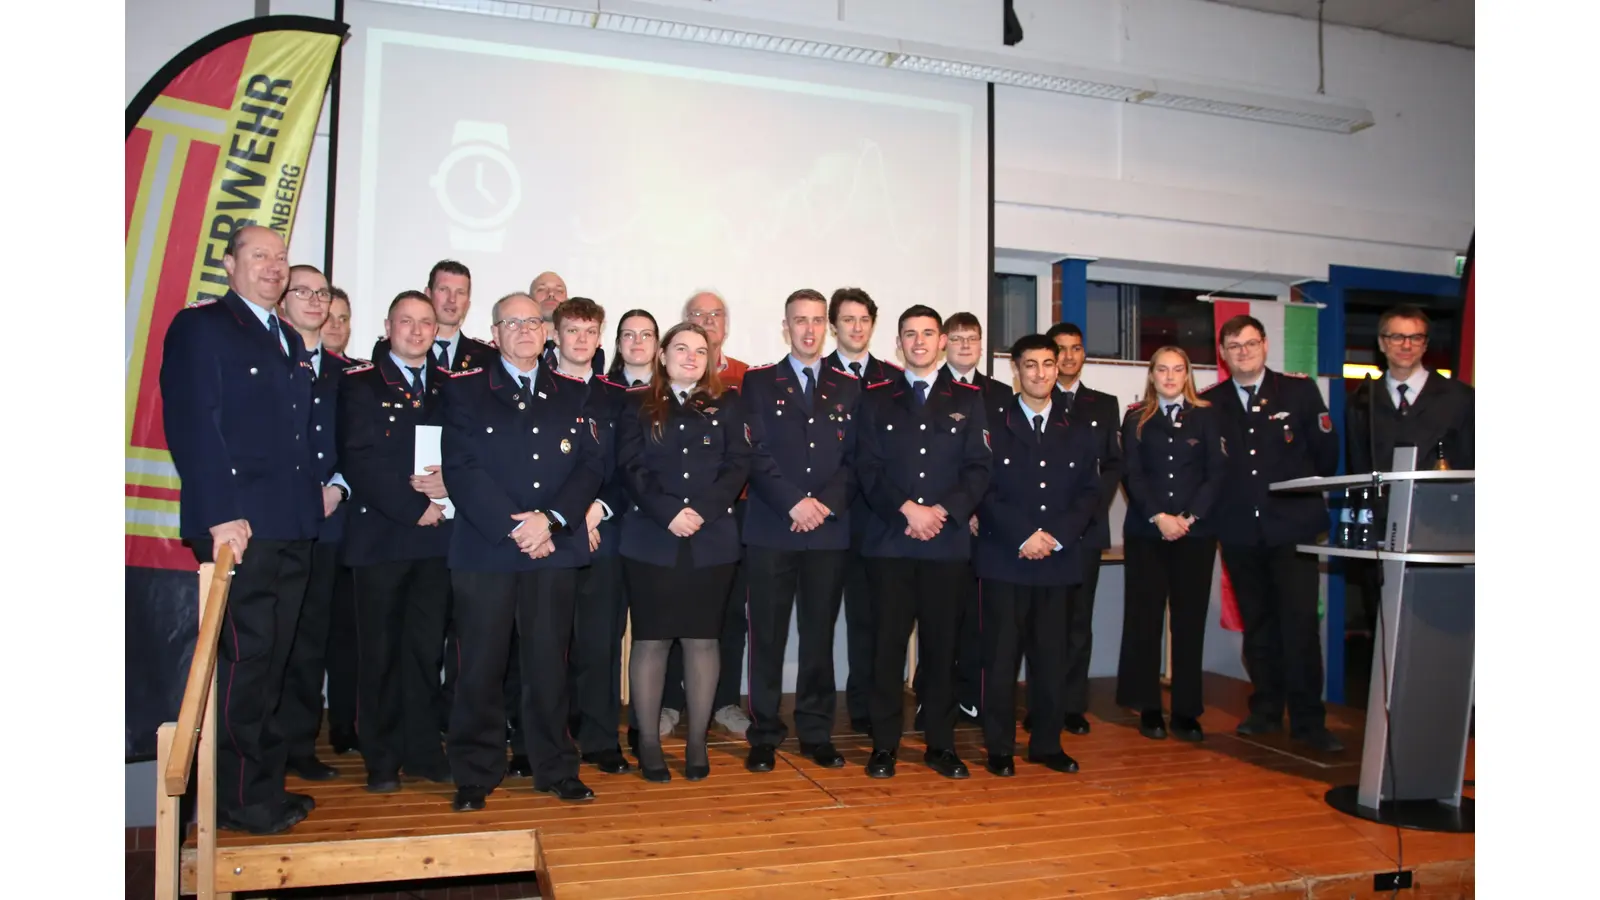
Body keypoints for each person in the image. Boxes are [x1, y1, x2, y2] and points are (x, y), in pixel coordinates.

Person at [159, 225, 321, 834]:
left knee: (270, 664)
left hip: (290, 523)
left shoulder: (284, 335)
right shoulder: (202, 328)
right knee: (246, 663)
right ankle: (236, 800)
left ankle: (262, 786)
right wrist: (218, 511)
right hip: (240, 526)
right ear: (229, 265)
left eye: (281, 257)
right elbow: (195, 424)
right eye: (260, 256)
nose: (274, 267)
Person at [441, 292, 605, 810]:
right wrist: (515, 528)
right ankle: (474, 770)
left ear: (548, 331)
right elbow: (461, 468)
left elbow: (588, 467)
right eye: (512, 323)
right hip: (488, 549)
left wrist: (551, 521)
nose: (525, 331)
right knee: (479, 666)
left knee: (548, 665)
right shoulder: (465, 390)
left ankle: (554, 766)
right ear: (494, 333)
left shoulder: (572, 392)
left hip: (550, 549)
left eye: (534, 322)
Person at [856, 305, 992, 779]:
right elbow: (867, 469)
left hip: (944, 544)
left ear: (942, 343)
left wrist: (942, 512)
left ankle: (940, 744)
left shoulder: (970, 399)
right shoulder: (874, 397)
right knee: (886, 649)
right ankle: (884, 745)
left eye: (927, 334)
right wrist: (908, 509)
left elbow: (979, 468)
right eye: (909, 334)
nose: (918, 342)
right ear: (899, 344)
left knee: (942, 649)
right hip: (890, 542)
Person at [617, 322, 754, 782]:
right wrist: (668, 512)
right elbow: (631, 467)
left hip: (711, 537)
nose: (691, 357)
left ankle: (698, 741)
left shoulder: (728, 404)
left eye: (701, 350)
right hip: (651, 537)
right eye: (681, 348)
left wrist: (702, 510)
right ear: (662, 355)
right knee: (651, 641)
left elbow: (738, 464)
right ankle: (649, 744)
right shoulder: (636, 403)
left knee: (702, 639)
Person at [1201, 315, 1343, 752]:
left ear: (1264, 345)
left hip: (1292, 529)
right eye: (1233, 346)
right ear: (1222, 354)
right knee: (1258, 625)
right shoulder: (1211, 402)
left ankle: (1308, 720)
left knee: (1299, 625)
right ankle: (1265, 710)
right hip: (1241, 530)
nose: (1243, 352)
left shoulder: (1297, 391)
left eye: (1250, 343)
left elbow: (1326, 457)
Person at [336, 291, 456, 792]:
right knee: (379, 655)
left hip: (437, 542)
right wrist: (415, 509)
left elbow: (470, 450)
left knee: (426, 653)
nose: (416, 330)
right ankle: (381, 759)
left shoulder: (453, 387)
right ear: (387, 325)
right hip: (382, 538)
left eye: (426, 322)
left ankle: (424, 750)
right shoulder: (360, 384)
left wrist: (450, 488)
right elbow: (360, 459)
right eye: (406, 321)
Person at [740, 289, 860, 773]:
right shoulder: (758, 383)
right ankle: (765, 733)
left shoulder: (850, 386)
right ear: (785, 327)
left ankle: (815, 731)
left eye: (816, 321)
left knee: (818, 636)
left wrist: (822, 505)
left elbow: (855, 460)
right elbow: (754, 453)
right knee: (766, 637)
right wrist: (793, 501)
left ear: (827, 328)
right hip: (773, 527)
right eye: (799, 321)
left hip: (827, 532)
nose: (808, 330)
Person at [972, 334, 1099, 777]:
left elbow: (1089, 492)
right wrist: (1024, 534)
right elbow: (981, 488)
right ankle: (1000, 748)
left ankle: (1047, 744)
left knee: (1051, 661)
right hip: (1005, 558)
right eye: (1031, 365)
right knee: (1001, 660)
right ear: (1016, 370)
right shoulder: (992, 424)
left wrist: (1055, 536)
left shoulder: (1079, 427)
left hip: (1058, 562)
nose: (1042, 373)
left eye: (1049, 364)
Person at [1117, 346, 1227, 743]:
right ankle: (1148, 707)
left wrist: (1189, 518)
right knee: (1144, 620)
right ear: (1151, 375)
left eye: (1177, 370)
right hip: (1149, 532)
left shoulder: (1207, 416)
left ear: (1187, 375)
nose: (1169, 377)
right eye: (1161, 370)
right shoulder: (1135, 418)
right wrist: (1160, 518)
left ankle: (1186, 710)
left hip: (1194, 533)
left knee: (1188, 622)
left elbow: (1216, 473)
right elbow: (1132, 473)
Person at [548, 298, 635, 777]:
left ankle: (601, 740)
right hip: (549, 537)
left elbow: (627, 468)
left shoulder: (616, 398)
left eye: (589, 331)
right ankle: (542, 738)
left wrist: (596, 512)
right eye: (571, 330)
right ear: (555, 336)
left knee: (600, 642)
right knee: (546, 644)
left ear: (599, 339)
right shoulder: (536, 390)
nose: (580, 340)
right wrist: (566, 517)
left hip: (603, 533)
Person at [272, 264, 351, 783]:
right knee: (269, 642)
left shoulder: (349, 375)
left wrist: (339, 485)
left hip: (327, 524)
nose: (316, 301)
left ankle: (299, 746)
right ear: (283, 303)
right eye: (304, 291)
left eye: (323, 294)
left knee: (310, 640)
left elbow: (360, 446)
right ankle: (262, 752)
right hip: (272, 524)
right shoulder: (265, 360)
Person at [1025, 322, 1121, 737]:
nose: (1066, 357)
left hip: (1083, 531)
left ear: (1083, 355)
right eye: (1058, 350)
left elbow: (1112, 466)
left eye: (1074, 349)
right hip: (1035, 533)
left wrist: (1082, 516)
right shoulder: (1027, 403)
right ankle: (1039, 705)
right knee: (1038, 624)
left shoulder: (1103, 404)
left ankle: (1072, 705)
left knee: (1078, 623)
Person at [665, 289, 751, 737]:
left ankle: (726, 701)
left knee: (727, 617)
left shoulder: (744, 378)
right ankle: (672, 703)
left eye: (715, 315)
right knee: (673, 615)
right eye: (696, 315)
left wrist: (706, 508)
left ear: (725, 324)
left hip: (724, 519)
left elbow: (743, 456)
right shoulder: (660, 391)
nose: (707, 321)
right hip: (668, 522)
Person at [822, 287, 899, 734]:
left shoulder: (892, 378)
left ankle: (866, 706)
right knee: (824, 624)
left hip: (880, 522)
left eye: (863, 320)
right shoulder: (819, 374)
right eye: (847, 320)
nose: (855, 327)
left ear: (873, 324)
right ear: (834, 326)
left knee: (872, 620)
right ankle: (824, 712)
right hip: (831, 520)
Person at [934, 311, 1012, 725]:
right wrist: (957, 510)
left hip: (986, 528)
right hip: (941, 524)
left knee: (978, 619)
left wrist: (979, 510)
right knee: (939, 617)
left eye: (972, 338)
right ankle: (934, 695)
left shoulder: (999, 394)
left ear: (981, 345)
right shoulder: (932, 387)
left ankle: (969, 694)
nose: (965, 345)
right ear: (944, 342)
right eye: (958, 337)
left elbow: (998, 463)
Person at [1346, 304, 1474, 474]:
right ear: (1382, 343)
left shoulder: (1461, 398)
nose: (1406, 346)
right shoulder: (1362, 400)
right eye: (1397, 337)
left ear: (1425, 344)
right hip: (1381, 500)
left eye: (1415, 338)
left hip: (1439, 500)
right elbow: (1358, 466)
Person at [318, 286, 360, 754]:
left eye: (345, 317)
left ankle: (347, 728)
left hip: (348, 527)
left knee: (349, 639)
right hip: (294, 525)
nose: (336, 324)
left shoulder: (356, 377)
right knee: (304, 639)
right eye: (330, 315)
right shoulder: (287, 366)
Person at [607, 309, 659, 387]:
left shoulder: (672, 389)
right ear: (619, 345)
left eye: (646, 335)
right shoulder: (601, 390)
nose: (638, 341)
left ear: (656, 344)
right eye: (628, 335)